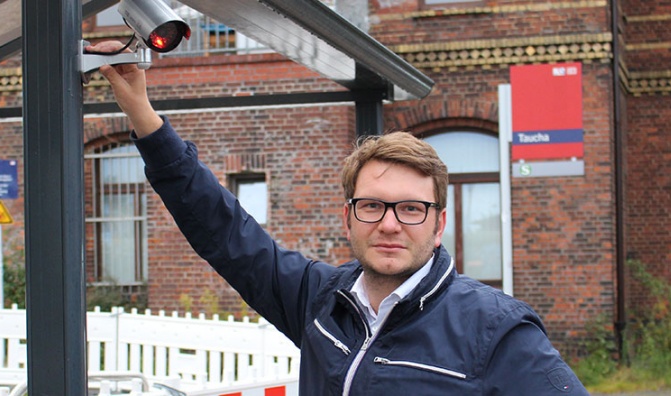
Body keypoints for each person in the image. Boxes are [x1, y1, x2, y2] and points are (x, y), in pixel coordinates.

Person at [90, 40, 589, 395]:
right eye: (373, 205)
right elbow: (222, 231)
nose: (390, 224)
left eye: (411, 209)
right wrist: (142, 114)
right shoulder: (319, 300)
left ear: (439, 225)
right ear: (348, 217)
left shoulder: (495, 330)